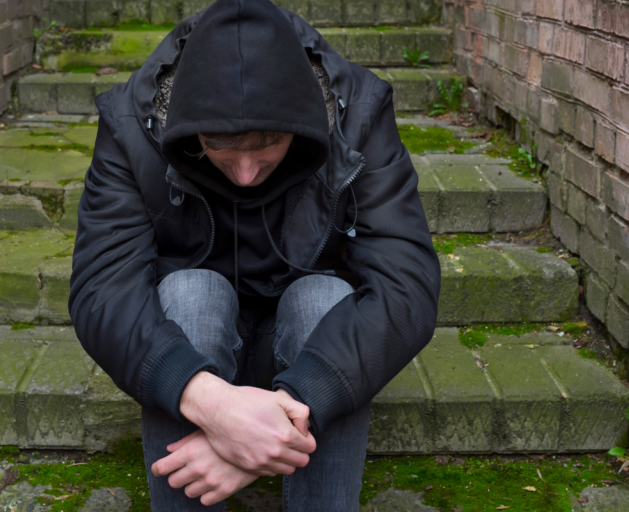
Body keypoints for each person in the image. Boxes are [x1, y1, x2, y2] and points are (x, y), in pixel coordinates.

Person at [68, 0, 441, 509]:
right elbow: (102, 291)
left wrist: (288, 412)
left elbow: (408, 288)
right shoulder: (131, 124)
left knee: (324, 297)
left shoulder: (359, 111)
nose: (245, 172)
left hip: (310, 353)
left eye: (268, 144)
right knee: (191, 291)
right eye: (220, 146)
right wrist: (212, 403)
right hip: (194, 349)